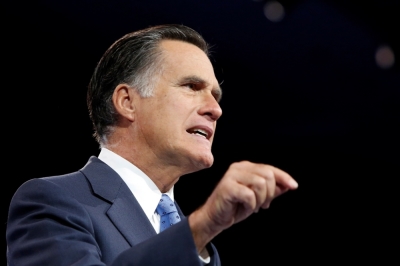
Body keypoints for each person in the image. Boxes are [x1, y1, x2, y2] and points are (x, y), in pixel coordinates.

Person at [6, 24, 298, 266]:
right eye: (191, 87)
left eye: (216, 96)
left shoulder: (196, 240)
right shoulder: (53, 201)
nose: (215, 109)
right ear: (127, 102)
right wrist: (201, 226)